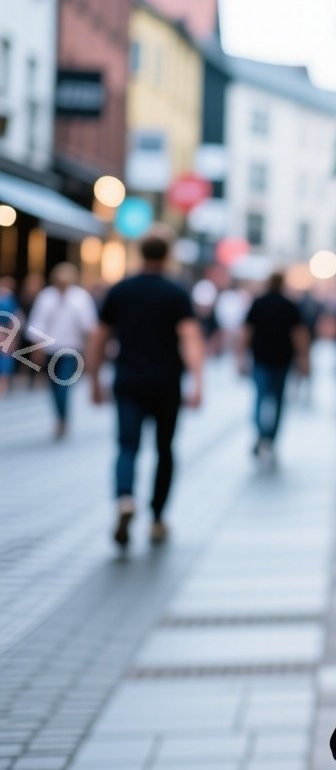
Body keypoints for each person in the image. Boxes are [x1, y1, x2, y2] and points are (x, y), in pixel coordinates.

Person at [86, 235, 203, 549]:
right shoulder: (176, 293)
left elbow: (99, 337)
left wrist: (94, 380)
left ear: (140, 253)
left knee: (127, 445)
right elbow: (190, 338)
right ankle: (157, 518)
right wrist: (198, 381)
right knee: (165, 449)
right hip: (166, 384)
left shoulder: (121, 290)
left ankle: (125, 498)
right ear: (167, 255)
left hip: (128, 381)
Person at [241, 271, 310, 463]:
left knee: (260, 398)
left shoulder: (258, 303)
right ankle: (270, 437)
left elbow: (246, 331)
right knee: (278, 400)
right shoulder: (289, 305)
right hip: (282, 360)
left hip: (261, 358)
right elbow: (299, 334)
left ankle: (262, 434)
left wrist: (240, 356)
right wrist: (304, 358)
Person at [27, 263, 99, 438]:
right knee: (53, 386)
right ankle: (60, 417)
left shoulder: (80, 298)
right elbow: (37, 324)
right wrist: (37, 348)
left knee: (63, 384)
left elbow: (89, 326)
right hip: (50, 349)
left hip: (70, 350)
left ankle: (63, 419)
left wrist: (90, 352)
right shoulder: (46, 297)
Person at [0, 277, 19, 397]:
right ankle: (3, 387)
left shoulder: (10, 300)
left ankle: (3, 386)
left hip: (5, 333)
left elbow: (14, 320)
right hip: (5, 333)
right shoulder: (10, 300)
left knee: (5, 361)